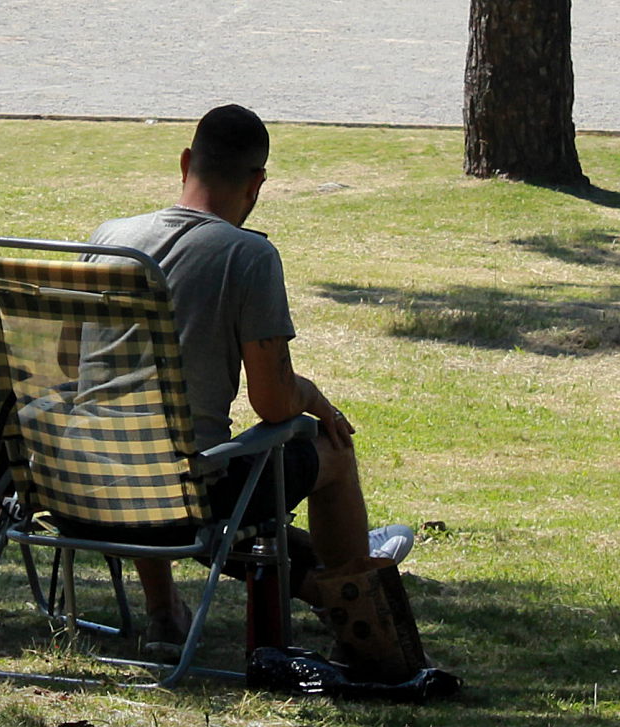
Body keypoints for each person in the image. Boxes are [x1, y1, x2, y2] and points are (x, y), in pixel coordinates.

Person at [90, 105, 446, 690]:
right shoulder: (247, 255)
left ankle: (163, 612)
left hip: (84, 482)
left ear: (185, 163)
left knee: (137, 428)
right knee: (327, 452)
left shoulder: (112, 237)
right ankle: (360, 623)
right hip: (183, 496)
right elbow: (274, 403)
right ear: (257, 183)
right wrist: (317, 401)